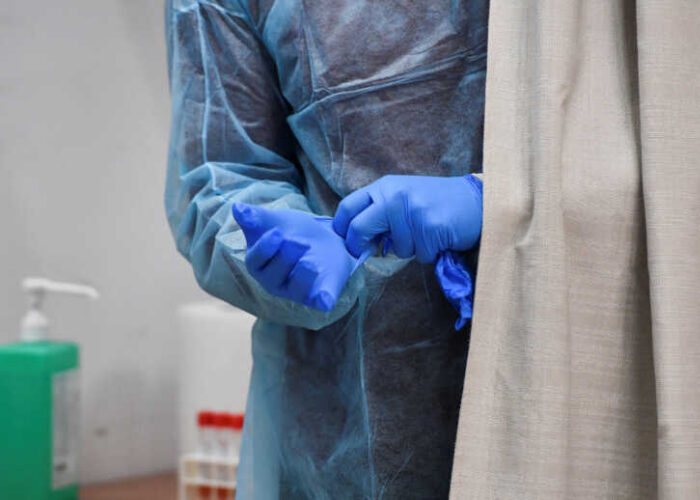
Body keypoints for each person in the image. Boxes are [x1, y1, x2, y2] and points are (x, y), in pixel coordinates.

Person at [165, 0, 488, 498]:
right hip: (345, 412)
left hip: (560, 354)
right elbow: (220, 172)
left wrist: (497, 201)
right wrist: (273, 243)